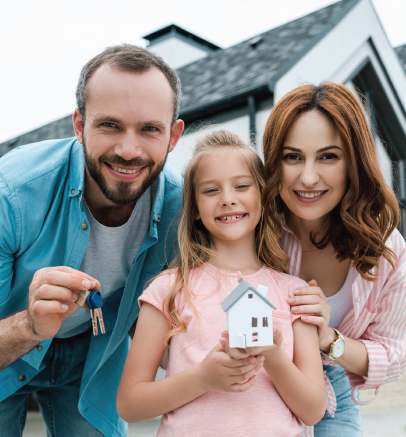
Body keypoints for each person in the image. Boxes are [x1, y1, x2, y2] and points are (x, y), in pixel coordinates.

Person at [0, 45, 184, 437]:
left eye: (150, 129)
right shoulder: (12, 194)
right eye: (110, 126)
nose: (129, 150)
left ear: (174, 135)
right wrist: (31, 326)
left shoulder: (183, 210)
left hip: (94, 357)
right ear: (79, 125)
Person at [117, 130, 326, 437]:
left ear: (262, 196)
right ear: (196, 210)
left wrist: (272, 355)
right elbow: (129, 404)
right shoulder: (168, 290)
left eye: (241, 186)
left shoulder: (296, 294)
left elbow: (313, 410)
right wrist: (203, 378)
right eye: (211, 190)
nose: (228, 199)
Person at [261, 82, 406, 437]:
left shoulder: (386, 249)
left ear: (353, 162)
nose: (308, 177)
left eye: (328, 156)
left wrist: (329, 339)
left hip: (332, 388)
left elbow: (394, 354)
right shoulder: (253, 224)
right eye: (293, 156)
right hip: (257, 378)